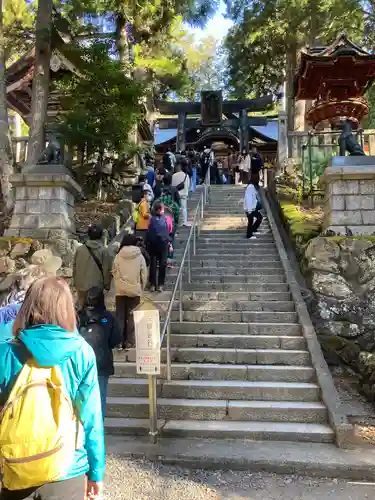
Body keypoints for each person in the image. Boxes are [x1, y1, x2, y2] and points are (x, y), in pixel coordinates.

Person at [0, 277, 105, 500]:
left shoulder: (5, 354)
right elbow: (91, 417)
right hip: (68, 467)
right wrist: (96, 472)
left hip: (17, 466)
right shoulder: (81, 352)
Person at [78, 286, 122, 417]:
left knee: (81, 399)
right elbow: (116, 339)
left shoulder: (79, 317)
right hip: (101, 364)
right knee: (100, 399)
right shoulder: (108, 317)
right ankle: (98, 431)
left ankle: (81, 431)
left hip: (81, 363)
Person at [112, 234, 148, 348]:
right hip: (134, 290)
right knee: (132, 316)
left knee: (120, 317)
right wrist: (141, 287)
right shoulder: (139, 256)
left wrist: (118, 284)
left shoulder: (118, 256)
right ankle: (130, 341)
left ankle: (118, 341)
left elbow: (114, 271)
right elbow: (144, 274)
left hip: (120, 291)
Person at [73, 224, 112, 308]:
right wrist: (107, 285)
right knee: (96, 310)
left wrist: (75, 282)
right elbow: (106, 270)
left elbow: (75, 266)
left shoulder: (79, 250)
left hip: (81, 284)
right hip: (96, 286)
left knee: (81, 307)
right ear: (101, 236)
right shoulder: (104, 251)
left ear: (88, 235)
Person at [146, 201, 170, 292]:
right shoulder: (166, 219)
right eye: (163, 208)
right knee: (162, 264)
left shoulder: (151, 219)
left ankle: (152, 284)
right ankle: (161, 284)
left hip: (153, 245)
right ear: (159, 209)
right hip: (163, 245)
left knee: (153, 264)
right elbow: (169, 230)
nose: (164, 210)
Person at [244, 175, 263, 240]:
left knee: (259, 217)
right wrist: (249, 210)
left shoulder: (252, 187)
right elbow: (248, 199)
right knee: (251, 221)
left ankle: (253, 230)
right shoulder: (250, 187)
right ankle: (249, 235)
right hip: (250, 208)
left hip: (252, 208)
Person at [172, 162, 190, 227]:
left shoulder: (174, 175)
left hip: (176, 194)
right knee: (184, 208)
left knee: (175, 208)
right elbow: (187, 185)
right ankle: (184, 221)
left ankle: (176, 221)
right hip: (184, 194)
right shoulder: (186, 175)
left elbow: (172, 185)